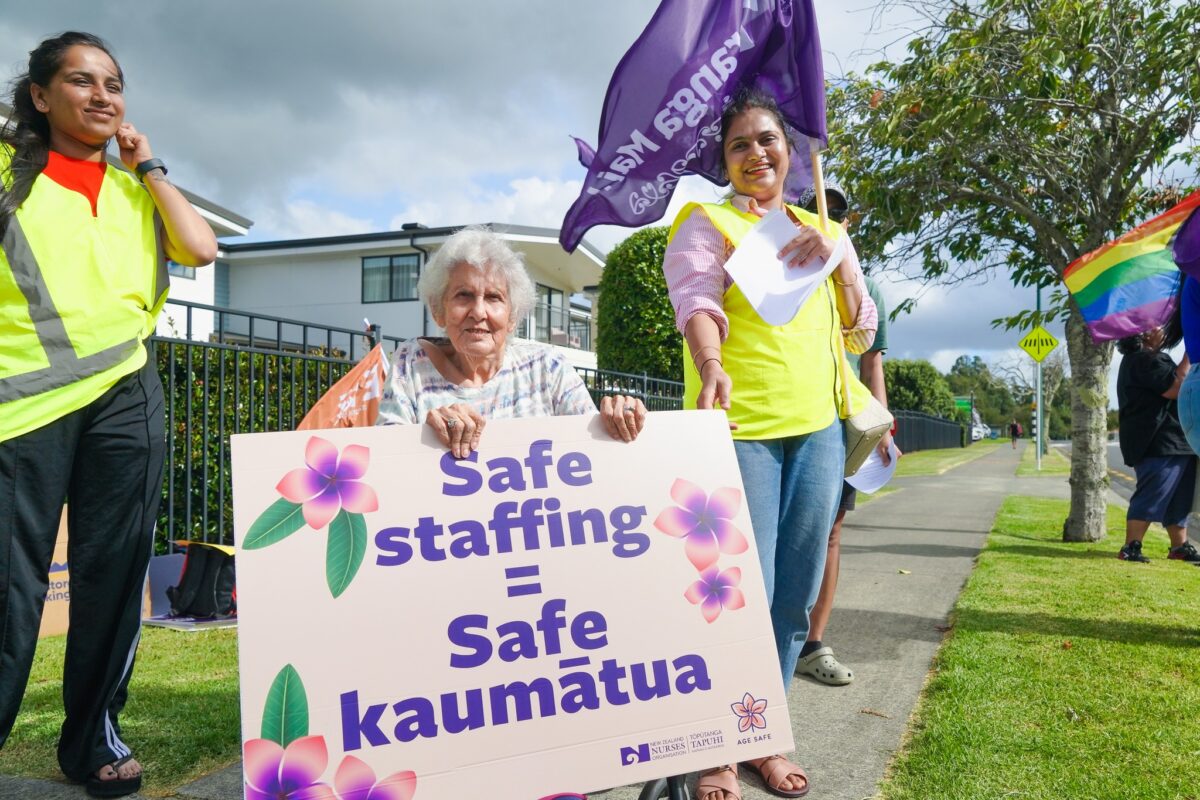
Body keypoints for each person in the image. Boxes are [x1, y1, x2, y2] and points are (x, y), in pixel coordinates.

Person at [0, 32, 217, 798]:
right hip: (21, 402)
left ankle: (92, 739)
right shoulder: (4, 174)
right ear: (39, 94)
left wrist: (148, 166)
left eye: (113, 85)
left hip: (127, 393)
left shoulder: (136, 191)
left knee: (115, 575)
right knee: (10, 584)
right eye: (81, 81)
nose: (101, 96)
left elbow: (200, 248)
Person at [662, 86, 878, 800]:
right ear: (725, 161)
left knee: (794, 592)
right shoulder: (710, 221)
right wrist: (712, 364)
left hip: (816, 432)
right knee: (733, 594)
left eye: (768, 140)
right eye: (740, 145)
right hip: (742, 431)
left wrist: (839, 255)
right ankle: (718, 748)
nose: (757, 153)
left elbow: (860, 327)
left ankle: (763, 731)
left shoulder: (818, 227)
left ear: (793, 151)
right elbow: (696, 300)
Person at [377, 226, 646, 450]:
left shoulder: (547, 368)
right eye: (464, 295)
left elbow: (592, 447)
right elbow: (386, 457)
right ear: (439, 310)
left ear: (512, 317)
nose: (478, 312)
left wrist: (618, 419)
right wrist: (423, 437)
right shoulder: (412, 363)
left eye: (494, 297)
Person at [793, 184, 899, 687]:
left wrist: (881, 423)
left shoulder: (863, 285)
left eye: (836, 212)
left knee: (829, 532)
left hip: (839, 421)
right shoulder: (771, 266)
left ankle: (812, 643)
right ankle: (768, 641)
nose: (825, 217)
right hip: (784, 419)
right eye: (816, 207)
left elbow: (870, 358)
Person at [1114, 309, 1200, 565]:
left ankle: (1179, 545)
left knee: (1179, 498)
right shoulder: (1144, 360)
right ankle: (1131, 546)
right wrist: (1191, 351)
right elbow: (1175, 388)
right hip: (1158, 441)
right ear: (1143, 334)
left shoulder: (1151, 359)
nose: (1162, 330)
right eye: (1157, 326)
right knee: (1154, 492)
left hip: (1174, 440)